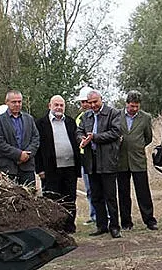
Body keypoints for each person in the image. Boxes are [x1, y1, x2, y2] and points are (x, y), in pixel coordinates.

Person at [77, 89, 123, 238]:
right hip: (91, 161)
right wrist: (82, 139)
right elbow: (78, 132)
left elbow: (116, 132)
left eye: (95, 102)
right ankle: (101, 225)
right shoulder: (86, 116)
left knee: (110, 196)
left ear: (101, 99)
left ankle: (115, 226)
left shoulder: (113, 113)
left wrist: (95, 137)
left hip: (108, 160)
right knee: (96, 195)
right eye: (90, 103)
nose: (93, 105)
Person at [36, 95, 80, 233]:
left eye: (61, 105)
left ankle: (69, 226)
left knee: (70, 198)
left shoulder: (71, 122)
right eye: (56, 105)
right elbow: (37, 148)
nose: (59, 108)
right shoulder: (41, 124)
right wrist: (40, 169)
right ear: (50, 106)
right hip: (50, 169)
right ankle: (54, 227)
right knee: (52, 198)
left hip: (70, 167)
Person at [116, 91, 158, 231]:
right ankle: (126, 222)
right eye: (132, 106)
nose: (134, 109)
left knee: (143, 191)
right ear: (126, 103)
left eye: (137, 106)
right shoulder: (117, 115)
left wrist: (137, 146)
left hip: (138, 160)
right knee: (123, 193)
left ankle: (149, 220)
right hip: (121, 160)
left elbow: (148, 138)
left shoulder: (145, 118)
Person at [0, 90, 40, 187]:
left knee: (29, 199)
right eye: (14, 102)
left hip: (27, 168)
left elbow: (36, 138)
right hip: (7, 169)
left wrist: (27, 155)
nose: (17, 104)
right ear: (7, 102)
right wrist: (19, 155)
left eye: (19, 102)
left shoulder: (29, 119)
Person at [74, 87, 96, 224]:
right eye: (82, 102)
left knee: (102, 189)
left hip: (98, 156)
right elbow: (77, 134)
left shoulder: (99, 115)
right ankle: (94, 215)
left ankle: (106, 215)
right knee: (89, 189)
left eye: (86, 101)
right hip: (84, 157)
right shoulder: (79, 118)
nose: (84, 105)